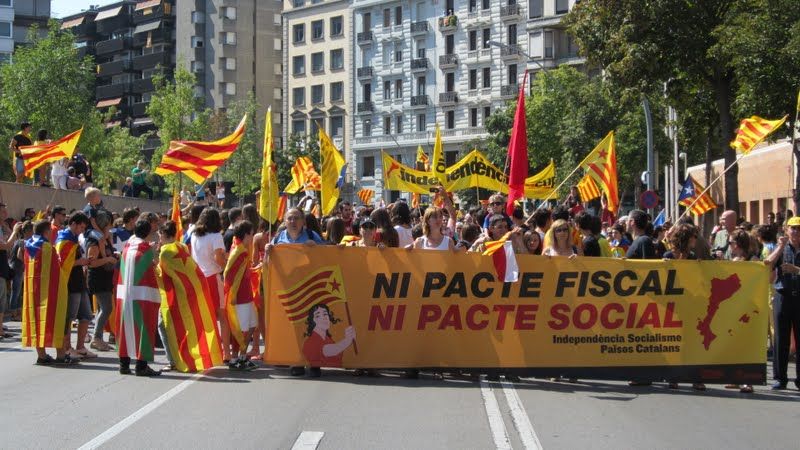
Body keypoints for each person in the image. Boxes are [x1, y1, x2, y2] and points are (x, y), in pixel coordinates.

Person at [265, 207, 324, 377]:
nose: (293, 221)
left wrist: (317, 248)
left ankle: (314, 362)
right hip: (288, 289)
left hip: (311, 287)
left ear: (303, 221)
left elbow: (328, 256)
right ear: (284, 221)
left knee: (313, 325)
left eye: (296, 218)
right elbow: (268, 266)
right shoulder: (277, 239)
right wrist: (268, 254)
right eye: (290, 218)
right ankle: (296, 361)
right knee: (293, 327)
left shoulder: (313, 236)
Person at [22, 220, 77, 364]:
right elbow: (57, 269)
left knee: (35, 321)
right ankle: (60, 356)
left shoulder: (26, 246)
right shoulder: (47, 247)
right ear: (47, 231)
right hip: (50, 292)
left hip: (32, 291)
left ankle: (42, 356)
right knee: (57, 320)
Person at [116, 214, 162, 376]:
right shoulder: (146, 251)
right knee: (144, 328)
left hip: (124, 295)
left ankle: (124, 365)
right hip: (143, 295)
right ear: (148, 233)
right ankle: (141, 366)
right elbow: (151, 272)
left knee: (125, 328)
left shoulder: (128, 247)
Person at [662, 223, 706, 390]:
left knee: (691, 342)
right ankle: (673, 377)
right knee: (674, 342)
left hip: (690, 305)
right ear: (685, 238)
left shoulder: (694, 257)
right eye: (694, 236)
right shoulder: (668, 256)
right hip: (674, 306)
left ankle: (696, 378)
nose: (696, 239)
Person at [190, 208, 232, 362]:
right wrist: (225, 265)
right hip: (212, 278)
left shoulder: (194, 234)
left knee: (202, 316)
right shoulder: (216, 236)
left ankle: (205, 351)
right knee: (222, 316)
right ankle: (226, 353)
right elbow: (219, 258)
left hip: (198, 278)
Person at [765, 216, 800, 391]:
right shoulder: (781, 248)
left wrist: (797, 270)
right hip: (782, 296)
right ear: (786, 230)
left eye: (799, 229)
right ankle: (780, 378)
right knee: (780, 339)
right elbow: (768, 263)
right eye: (792, 228)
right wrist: (779, 246)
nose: (795, 232)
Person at [223, 221, 263, 371]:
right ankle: (235, 359)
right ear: (246, 235)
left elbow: (242, 273)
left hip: (247, 296)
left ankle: (242, 357)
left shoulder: (241, 248)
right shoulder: (239, 251)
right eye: (251, 234)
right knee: (242, 330)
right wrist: (232, 297)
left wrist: (254, 269)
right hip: (239, 298)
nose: (252, 237)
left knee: (252, 325)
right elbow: (229, 275)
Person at [56, 211, 95, 360]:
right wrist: (81, 262)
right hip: (69, 283)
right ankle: (67, 348)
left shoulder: (73, 238)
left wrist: (82, 261)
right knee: (69, 317)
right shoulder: (64, 238)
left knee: (86, 315)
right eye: (81, 227)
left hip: (79, 281)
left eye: (84, 227)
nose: (82, 230)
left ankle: (80, 347)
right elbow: (62, 263)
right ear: (72, 224)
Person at [86, 211, 118, 352]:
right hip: (98, 279)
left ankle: (98, 338)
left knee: (102, 309)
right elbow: (91, 263)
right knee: (107, 308)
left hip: (105, 278)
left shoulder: (104, 239)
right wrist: (108, 259)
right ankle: (96, 338)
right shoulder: (94, 241)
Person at [302, 304, 356, 368]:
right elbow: (332, 350)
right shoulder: (310, 342)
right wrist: (347, 340)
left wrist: (349, 339)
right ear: (312, 320)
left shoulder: (328, 339)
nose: (324, 318)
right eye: (318, 316)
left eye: (325, 314)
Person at [0, 205, 22, 340]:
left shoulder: (2, 228)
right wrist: (14, 231)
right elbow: (6, 245)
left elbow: (10, 241)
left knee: (2, 300)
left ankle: (0, 329)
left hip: (2, 269)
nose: (6, 213)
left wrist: (6, 227)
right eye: (2, 211)